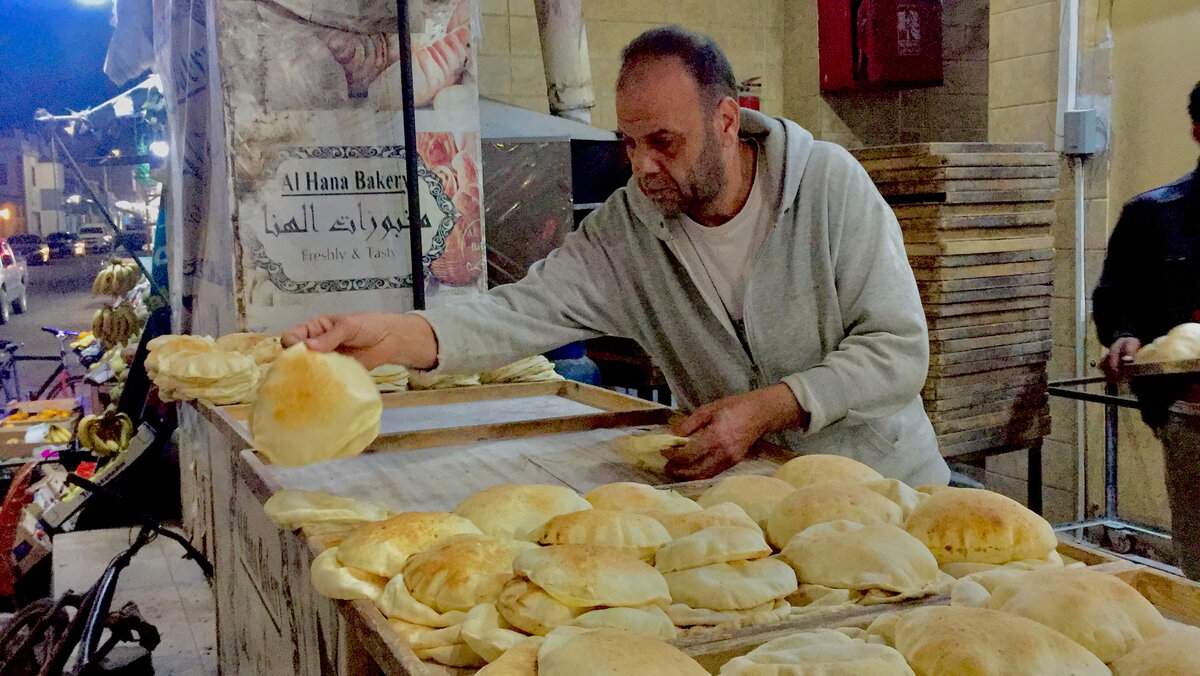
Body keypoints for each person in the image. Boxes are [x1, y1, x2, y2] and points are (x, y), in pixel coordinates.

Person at [284, 25, 949, 487]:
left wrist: (770, 407)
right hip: (760, 500)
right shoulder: (630, 231)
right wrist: (391, 336)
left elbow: (897, 350)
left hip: (888, 493)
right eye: (629, 143)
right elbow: (518, 313)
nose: (642, 166)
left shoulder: (827, 186)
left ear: (725, 121)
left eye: (663, 141)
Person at [1094, 80, 1200, 580]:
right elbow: (1117, 298)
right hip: (1192, 415)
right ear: (1198, 131)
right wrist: (1125, 335)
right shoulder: (1153, 216)